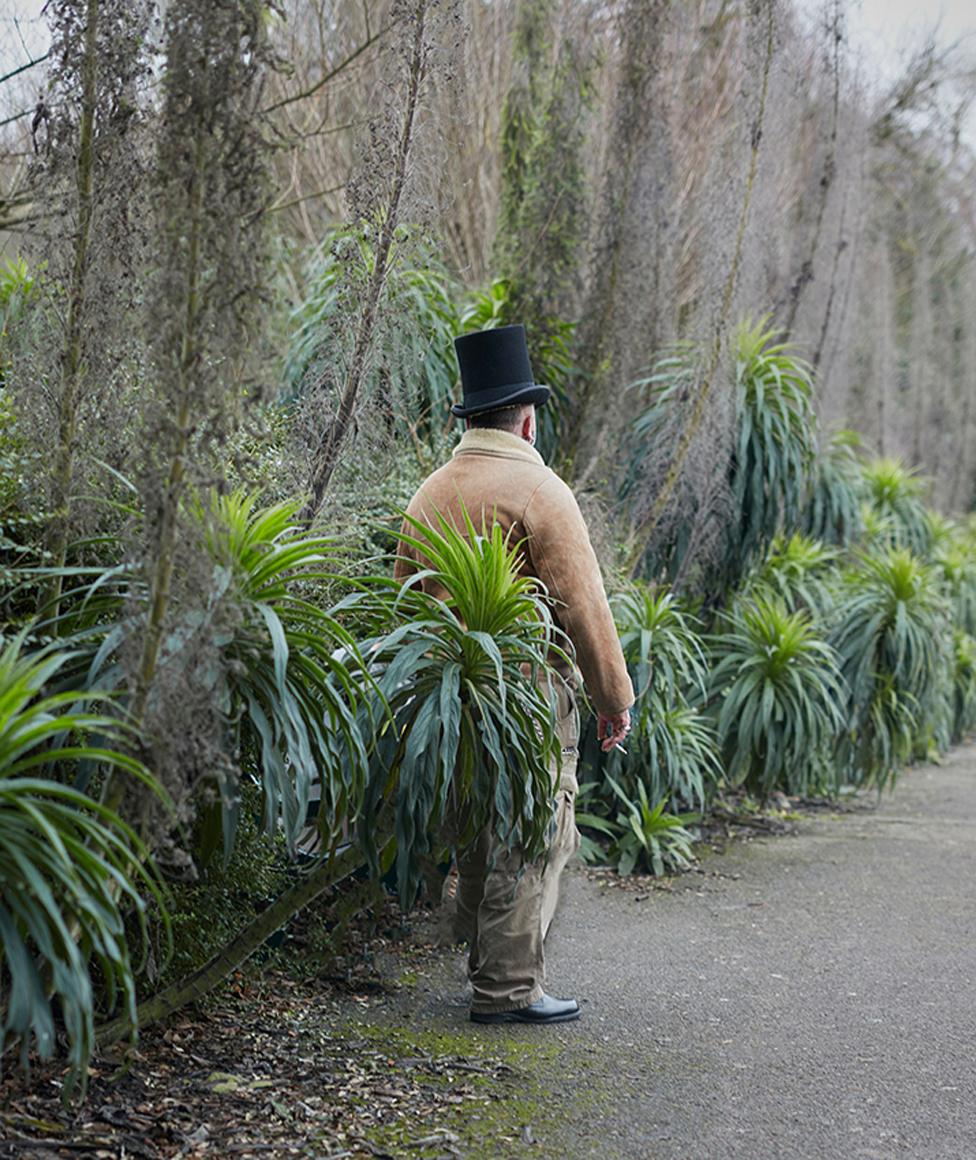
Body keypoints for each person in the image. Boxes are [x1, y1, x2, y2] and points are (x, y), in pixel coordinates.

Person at [393, 324, 634, 1025]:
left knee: (472, 821)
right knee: (534, 826)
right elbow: (583, 606)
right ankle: (506, 988)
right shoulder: (541, 490)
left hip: (448, 691)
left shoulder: (429, 491)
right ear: (526, 419)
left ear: (471, 416)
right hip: (524, 692)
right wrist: (611, 697)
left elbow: (402, 605)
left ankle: (475, 949)